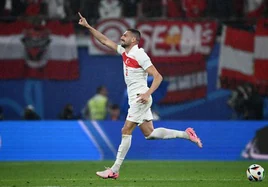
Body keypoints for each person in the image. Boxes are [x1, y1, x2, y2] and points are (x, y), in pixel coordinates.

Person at [78, 12, 202, 179]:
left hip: (140, 97)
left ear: (134, 40)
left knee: (126, 129)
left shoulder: (140, 54)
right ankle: (186, 134)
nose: (122, 36)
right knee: (149, 134)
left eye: (125, 35)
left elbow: (158, 77)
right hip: (136, 98)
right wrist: (88, 26)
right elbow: (104, 40)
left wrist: (147, 93)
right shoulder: (125, 52)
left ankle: (114, 169)